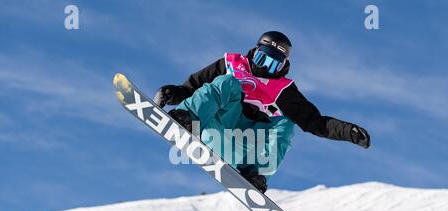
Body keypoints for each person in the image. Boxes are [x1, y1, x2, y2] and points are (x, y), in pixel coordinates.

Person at [154, 31, 370, 193]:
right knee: (227, 82)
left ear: (284, 67)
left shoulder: (283, 90)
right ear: (254, 51)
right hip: (214, 124)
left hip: (246, 143)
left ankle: (255, 173)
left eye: (274, 64)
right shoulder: (231, 65)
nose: (266, 67)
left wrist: (348, 131)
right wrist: (171, 93)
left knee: (286, 120)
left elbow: (313, 121)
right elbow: (193, 86)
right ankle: (187, 119)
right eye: (262, 58)